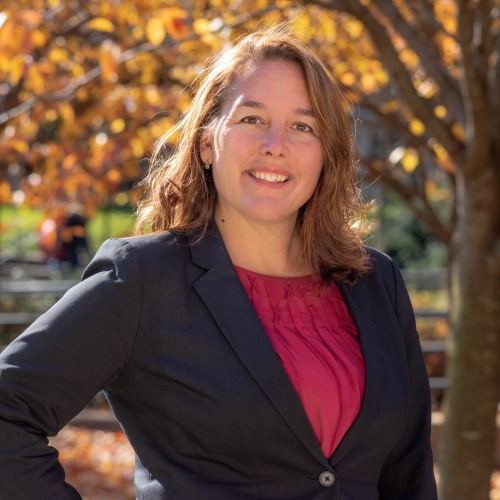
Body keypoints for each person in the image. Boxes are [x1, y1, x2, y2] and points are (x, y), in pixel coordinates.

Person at [0, 25, 437, 499]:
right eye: (251, 119)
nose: (276, 143)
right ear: (208, 142)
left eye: (302, 126)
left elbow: (406, 472)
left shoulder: (376, 284)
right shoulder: (145, 280)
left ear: (325, 156)